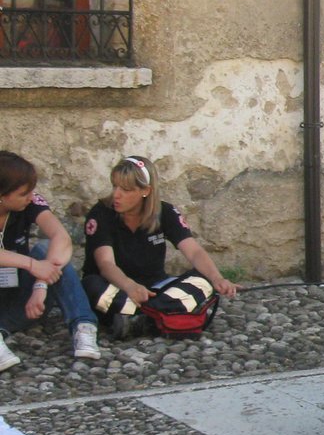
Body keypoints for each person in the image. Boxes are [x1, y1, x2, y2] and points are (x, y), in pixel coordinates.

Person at [81, 155, 238, 339]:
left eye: (125, 189)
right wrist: (130, 286)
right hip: (119, 287)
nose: (116, 194)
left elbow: (194, 251)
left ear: (145, 191)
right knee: (91, 286)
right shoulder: (101, 213)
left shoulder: (166, 212)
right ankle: (167, 317)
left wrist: (217, 278)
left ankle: (142, 319)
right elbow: (105, 264)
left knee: (203, 281)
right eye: (115, 186)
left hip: (155, 288)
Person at [0, 152, 100, 369]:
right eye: (23, 193)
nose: (30, 197)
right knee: (40, 258)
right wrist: (33, 265)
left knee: (46, 249)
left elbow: (61, 237)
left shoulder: (29, 204)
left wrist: (41, 284)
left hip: (26, 302)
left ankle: (83, 325)